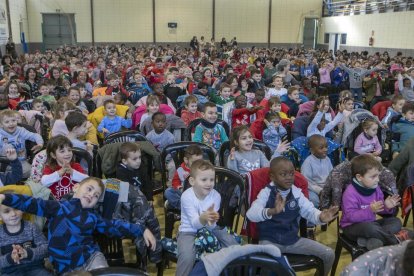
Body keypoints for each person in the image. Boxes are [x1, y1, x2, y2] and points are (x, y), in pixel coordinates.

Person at [0, 177, 157, 274]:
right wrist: (5, 198)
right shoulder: (57, 207)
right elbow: (31, 203)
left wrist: (141, 229)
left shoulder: (92, 217)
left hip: (91, 258)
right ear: (76, 187)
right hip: (64, 268)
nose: (91, 195)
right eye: (89, 189)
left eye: (96, 196)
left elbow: (114, 225)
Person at [246, 157, 338, 275]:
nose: (289, 177)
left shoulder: (296, 193)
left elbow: (309, 211)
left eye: (291, 173)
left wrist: (321, 217)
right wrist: (272, 211)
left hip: (292, 241)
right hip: (269, 242)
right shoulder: (266, 192)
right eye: (283, 174)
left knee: (328, 254)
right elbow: (250, 215)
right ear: (272, 176)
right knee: (267, 265)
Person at [177, 160, 238, 276]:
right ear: (192, 181)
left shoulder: (216, 196)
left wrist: (212, 220)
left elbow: (211, 226)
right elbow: (195, 224)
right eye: (204, 180)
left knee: (233, 245)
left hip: (211, 228)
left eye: (211, 179)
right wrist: (204, 218)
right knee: (187, 256)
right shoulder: (186, 196)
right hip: (188, 231)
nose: (209, 183)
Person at [340, 155, 408, 250]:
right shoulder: (350, 192)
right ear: (359, 177)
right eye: (373, 176)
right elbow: (350, 216)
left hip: (371, 225)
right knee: (370, 228)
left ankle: (371, 241)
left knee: (396, 221)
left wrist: (387, 206)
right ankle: (394, 241)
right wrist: (370, 210)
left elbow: (379, 209)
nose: (378, 179)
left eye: (378, 176)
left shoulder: (376, 188)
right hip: (351, 227)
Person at [114, 142, 162, 262]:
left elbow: (147, 183)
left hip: (143, 202)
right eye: (134, 159)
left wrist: (150, 198)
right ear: (125, 161)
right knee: (141, 226)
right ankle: (143, 257)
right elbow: (125, 195)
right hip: (129, 206)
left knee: (152, 224)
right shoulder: (120, 171)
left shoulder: (141, 167)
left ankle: (155, 252)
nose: (138, 161)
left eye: (140, 157)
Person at [0, 192, 50, 276]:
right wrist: (10, 258)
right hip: (10, 272)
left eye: (16, 208)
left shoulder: (31, 227)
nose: (13, 214)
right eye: (6, 211)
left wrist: (27, 253)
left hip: (35, 268)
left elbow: (46, 249)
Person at [41, 135, 88, 200]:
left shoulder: (76, 166)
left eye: (69, 150)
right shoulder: (50, 167)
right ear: (53, 155)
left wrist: (72, 172)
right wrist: (59, 173)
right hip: (56, 203)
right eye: (62, 151)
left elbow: (87, 180)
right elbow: (43, 182)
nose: (67, 153)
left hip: (72, 202)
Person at [0, 110, 43, 178]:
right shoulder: (0, 135)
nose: (11, 124)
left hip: (21, 162)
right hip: (4, 163)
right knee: (8, 146)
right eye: (7, 122)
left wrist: (40, 144)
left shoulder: (20, 130)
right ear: (1, 124)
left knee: (34, 173)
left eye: (13, 120)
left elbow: (35, 135)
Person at [164, 144, 203, 210]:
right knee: (168, 191)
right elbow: (175, 181)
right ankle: (184, 207)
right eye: (194, 162)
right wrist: (179, 187)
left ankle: (176, 205)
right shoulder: (181, 170)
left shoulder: (203, 169)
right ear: (186, 160)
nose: (198, 165)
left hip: (199, 194)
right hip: (184, 193)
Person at [301, 135, 333, 208]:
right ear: (312, 151)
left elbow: (332, 174)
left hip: (326, 186)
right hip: (313, 189)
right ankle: (314, 217)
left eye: (326, 147)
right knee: (314, 200)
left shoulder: (327, 159)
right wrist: (319, 191)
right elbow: (307, 182)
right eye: (321, 148)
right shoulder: (308, 163)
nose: (325, 149)